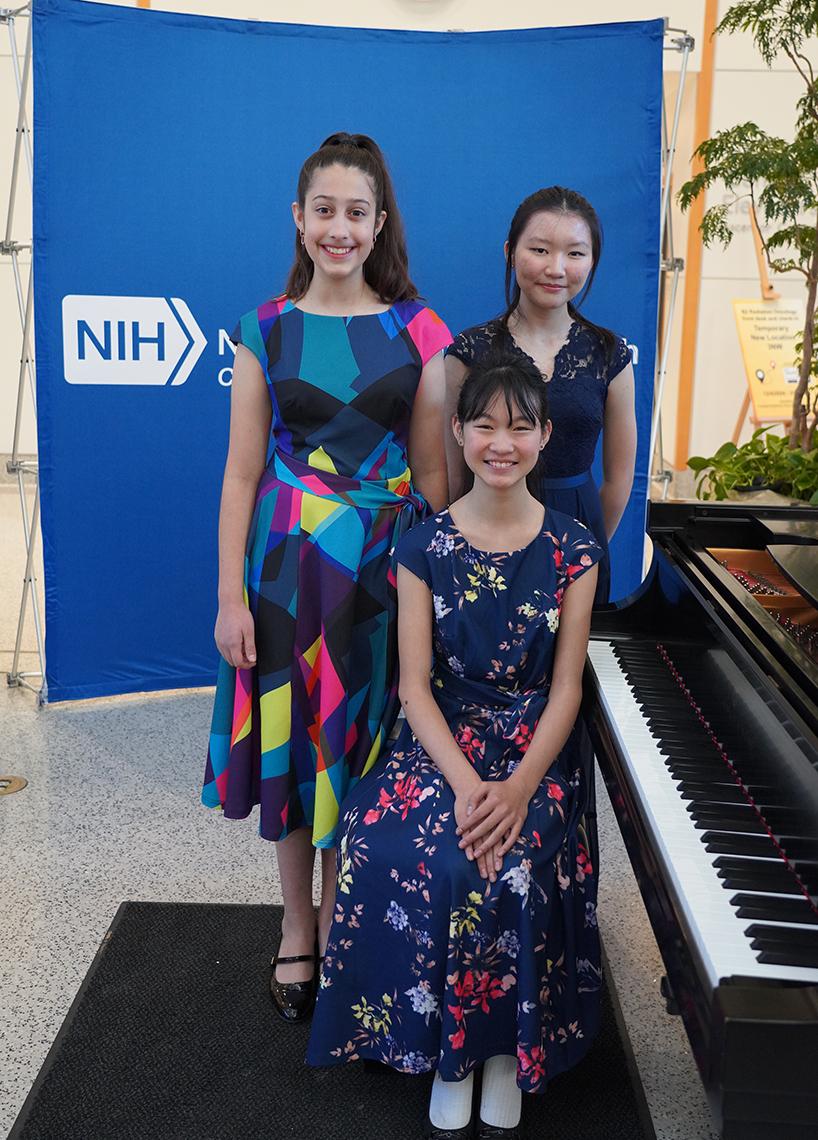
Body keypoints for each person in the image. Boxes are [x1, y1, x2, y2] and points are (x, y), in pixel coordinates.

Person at [308, 353, 603, 1140]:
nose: (500, 443)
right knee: (380, 838)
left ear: (544, 435)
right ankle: (446, 1051)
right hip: (444, 739)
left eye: (519, 426)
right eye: (483, 425)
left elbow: (568, 689)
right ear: (460, 433)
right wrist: (471, 781)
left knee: (505, 859)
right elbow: (412, 686)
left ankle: (503, 1052)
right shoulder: (423, 546)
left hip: (534, 746)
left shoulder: (576, 548)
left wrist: (514, 789)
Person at [201, 132, 451, 1023]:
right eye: (324, 211)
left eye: (357, 212)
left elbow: (432, 477)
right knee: (300, 748)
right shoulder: (264, 327)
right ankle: (297, 928)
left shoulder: (421, 331)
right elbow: (239, 472)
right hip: (284, 578)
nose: (339, 229)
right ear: (299, 221)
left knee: (368, 751)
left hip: (384, 582)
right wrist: (230, 596)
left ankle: (351, 925)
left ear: (379, 223)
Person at [444, 186, 636, 605]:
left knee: (571, 668)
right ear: (511, 253)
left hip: (578, 527)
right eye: (540, 250)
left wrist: (585, 546)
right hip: (484, 533)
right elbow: (454, 476)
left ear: (592, 260)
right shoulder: (469, 351)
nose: (556, 268)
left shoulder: (610, 354)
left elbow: (619, 479)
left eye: (575, 253)